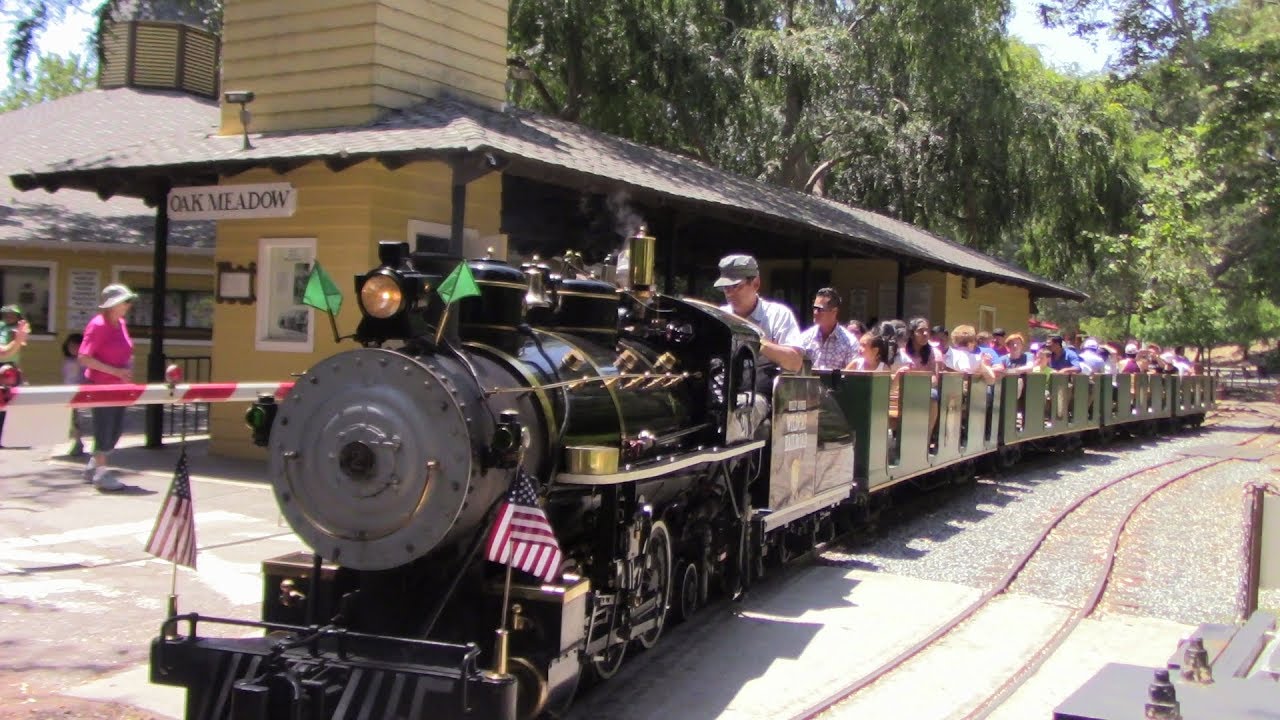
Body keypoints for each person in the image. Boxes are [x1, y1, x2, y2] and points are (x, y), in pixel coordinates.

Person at [79, 284, 138, 492]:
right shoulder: (98, 325)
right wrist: (115, 371)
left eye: (129, 301)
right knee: (104, 428)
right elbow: (84, 357)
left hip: (120, 386)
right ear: (112, 304)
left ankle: (93, 466)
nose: (128, 305)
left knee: (115, 430)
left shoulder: (121, 323)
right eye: (125, 301)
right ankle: (101, 474)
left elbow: (125, 351)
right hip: (101, 386)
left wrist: (125, 372)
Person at [715, 254, 804, 372]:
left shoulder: (778, 315)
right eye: (725, 288)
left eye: (735, 286)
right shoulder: (719, 316)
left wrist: (756, 342)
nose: (729, 293)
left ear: (756, 283)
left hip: (764, 383)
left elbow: (795, 363)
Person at [798, 288, 859, 370]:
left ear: (834, 311)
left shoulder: (850, 343)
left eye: (820, 309)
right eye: (814, 308)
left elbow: (851, 375)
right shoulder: (804, 338)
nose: (815, 313)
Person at [0, 304, 32, 446]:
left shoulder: (18, 328)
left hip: (10, 366)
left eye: (12, 315)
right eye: (6, 314)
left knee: (10, 402)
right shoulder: (1, 326)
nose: (9, 317)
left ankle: (9, 435)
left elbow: (15, 347)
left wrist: (18, 337)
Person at [61, 333, 88, 457]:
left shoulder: (84, 361)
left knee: (78, 419)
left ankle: (79, 443)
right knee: (73, 420)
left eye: (76, 346)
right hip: (69, 393)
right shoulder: (67, 361)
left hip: (81, 393)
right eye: (71, 346)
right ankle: (77, 442)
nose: (73, 349)